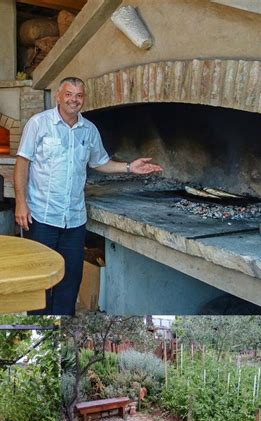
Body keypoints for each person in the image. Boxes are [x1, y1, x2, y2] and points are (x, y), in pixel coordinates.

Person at [14, 77, 163, 315]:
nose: (74, 100)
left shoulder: (89, 130)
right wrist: (21, 202)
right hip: (42, 215)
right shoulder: (39, 124)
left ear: (84, 99)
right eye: (69, 94)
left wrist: (128, 167)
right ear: (59, 96)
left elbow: (100, 162)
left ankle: (62, 324)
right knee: (40, 280)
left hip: (74, 219)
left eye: (79, 95)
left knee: (70, 281)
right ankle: (42, 325)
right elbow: (23, 162)